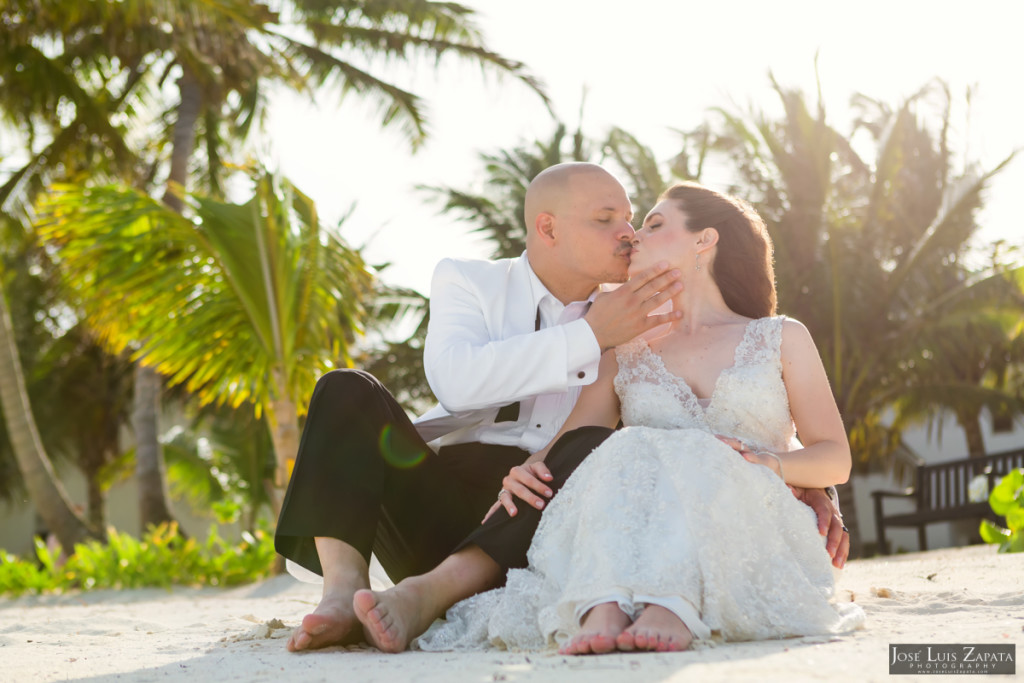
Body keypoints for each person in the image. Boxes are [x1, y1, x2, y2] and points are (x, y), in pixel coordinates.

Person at [408, 182, 865, 654]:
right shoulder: (625, 349)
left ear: (704, 240)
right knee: (618, 447)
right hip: (642, 540)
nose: (633, 235)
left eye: (654, 223)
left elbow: (835, 459)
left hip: (753, 525)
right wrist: (527, 469)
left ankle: (671, 603)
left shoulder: (780, 337)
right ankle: (602, 600)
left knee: (688, 451)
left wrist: (774, 464)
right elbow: (575, 442)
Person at [275, 162, 687, 651]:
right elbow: (457, 382)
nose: (628, 232)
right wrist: (592, 335)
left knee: (589, 444)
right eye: (605, 219)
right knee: (344, 387)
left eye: (630, 217)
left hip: (549, 513)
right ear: (547, 227)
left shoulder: (640, 308)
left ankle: (421, 599)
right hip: (441, 502)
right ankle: (343, 592)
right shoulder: (467, 280)